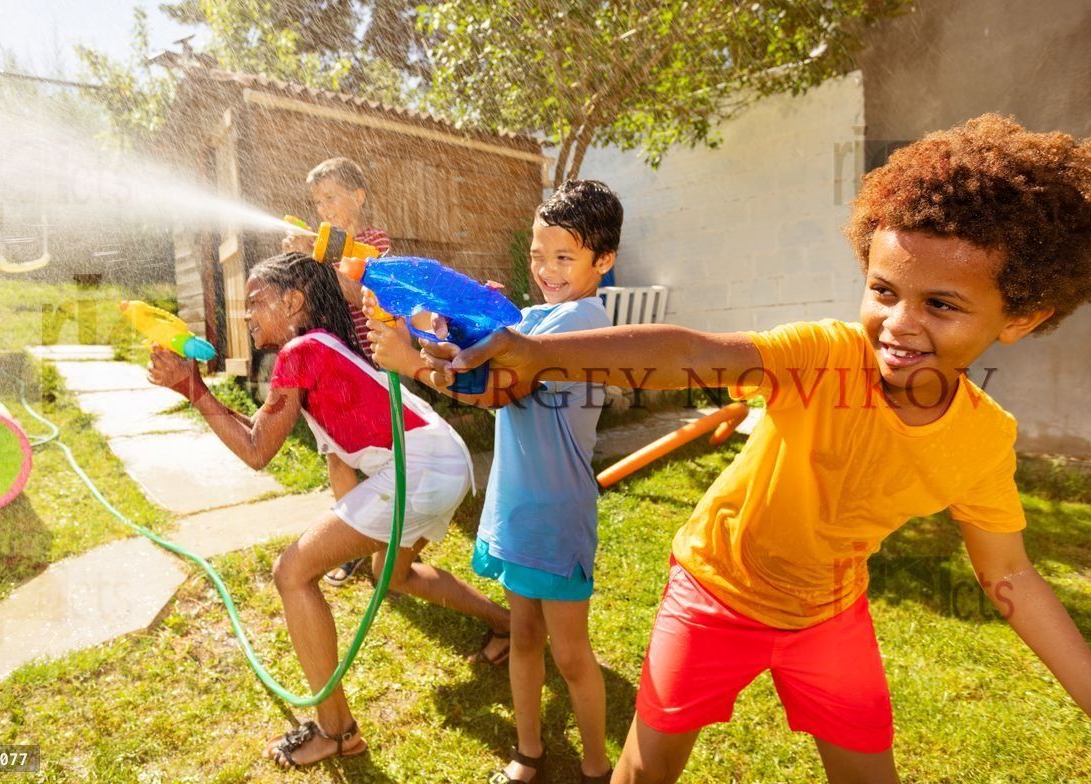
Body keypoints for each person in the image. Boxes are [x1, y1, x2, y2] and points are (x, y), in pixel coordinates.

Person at [412, 115, 1091, 784]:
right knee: (646, 767)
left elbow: (1011, 577)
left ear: (1021, 317)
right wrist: (536, 354)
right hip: (714, 590)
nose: (899, 324)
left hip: (828, 614)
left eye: (941, 304)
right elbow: (692, 354)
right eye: (883, 290)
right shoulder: (826, 354)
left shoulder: (982, 439)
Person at [147, 251, 511, 769]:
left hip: (422, 467)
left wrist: (193, 388)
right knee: (394, 575)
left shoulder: (302, 351)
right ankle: (509, 623)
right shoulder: (322, 351)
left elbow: (256, 452)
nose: (247, 316)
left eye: (256, 303)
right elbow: (312, 453)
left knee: (292, 573)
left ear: (294, 301)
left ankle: (336, 732)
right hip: (440, 457)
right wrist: (349, 531)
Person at [369, 180, 622, 784]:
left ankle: (596, 766)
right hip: (516, 506)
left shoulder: (581, 322)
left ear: (603, 261)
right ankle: (531, 752)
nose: (546, 270)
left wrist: (412, 363)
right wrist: (430, 327)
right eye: (538, 255)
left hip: (556, 515)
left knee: (569, 653)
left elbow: (493, 392)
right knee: (526, 637)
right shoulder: (542, 314)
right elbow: (475, 343)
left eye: (564, 258)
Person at [283, 156, 392, 586]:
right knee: (335, 452)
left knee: (379, 455)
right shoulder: (322, 245)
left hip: (372, 363)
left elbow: (357, 290)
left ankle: (386, 535)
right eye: (318, 201)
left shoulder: (373, 240)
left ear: (358, 196)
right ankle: (351, 543)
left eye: (331, 197)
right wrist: (299, 259)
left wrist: (322, 257)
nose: (324, 209)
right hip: (335, 363)